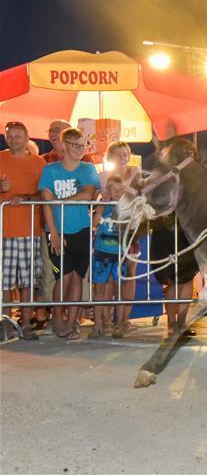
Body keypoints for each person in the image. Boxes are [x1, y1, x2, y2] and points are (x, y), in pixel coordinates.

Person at [38, 127, 100, 339]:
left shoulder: (87, 168)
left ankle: (73, 320)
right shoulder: (50, 170)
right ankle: (57, 318)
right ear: (64, 145)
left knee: (77, 277)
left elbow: (89, 193)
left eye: (83, 145)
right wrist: (53, 233)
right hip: (58, 230)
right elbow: (45, 203)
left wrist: (59, 200)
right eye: (75, 145)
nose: (80, 149)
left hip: (81, 229)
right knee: (61, 277)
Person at [0, 121, 46, 340]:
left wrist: (26, 198)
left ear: (27, 137)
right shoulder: (0, 158)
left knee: (28, 281)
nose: (14, 139)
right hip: (4, 231)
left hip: (30, 230)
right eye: (10, 136)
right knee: (5, 281)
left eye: (18, 136)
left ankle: (26, 324)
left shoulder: (39, 163)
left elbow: (44, 195)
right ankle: (6, 324)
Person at [101, 141, 141, 334]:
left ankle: (124, 319)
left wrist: (130, 183)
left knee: (129, 275)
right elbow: (102, 197)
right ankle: (107, 320)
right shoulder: (105, 176)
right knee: (109, 276)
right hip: (109, 231)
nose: (124, 157)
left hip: (130, 231)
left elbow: (139, 196)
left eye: (126, 153)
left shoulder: (136, 172)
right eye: (119, 154)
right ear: (111, 158)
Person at [89, 175, 127, 338]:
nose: (118, 193)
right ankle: (98, 323)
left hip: (119, 255)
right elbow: (95, 222)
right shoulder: (103, 205)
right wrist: (101, 206)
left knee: (119, 289)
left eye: (121, 190)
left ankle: (118, 324)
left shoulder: (126, 207)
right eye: (114, 190)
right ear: (108, 191)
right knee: (99, 289)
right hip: (102, 253)